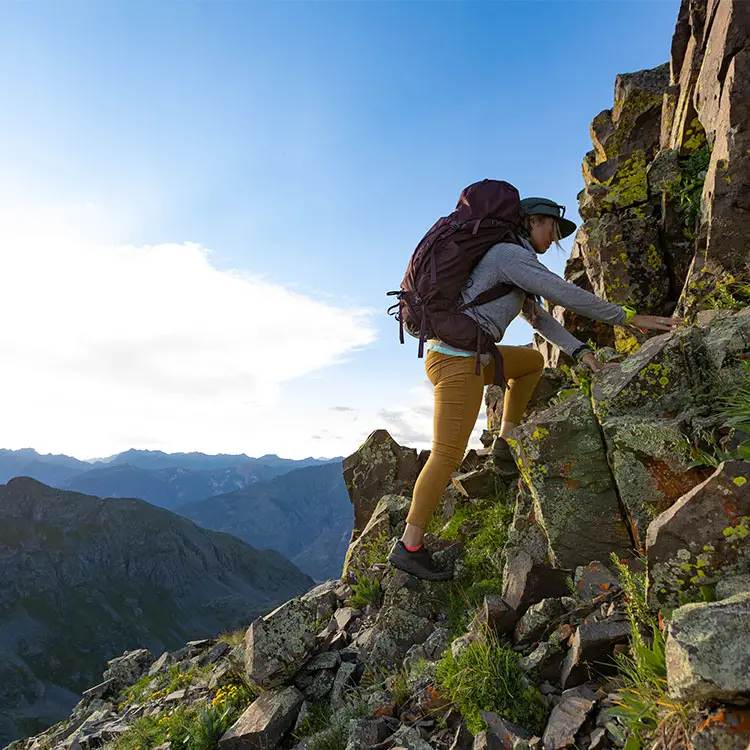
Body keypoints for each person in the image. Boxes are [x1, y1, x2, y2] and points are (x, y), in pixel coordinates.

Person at [387, 196, 683, 581]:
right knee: (446, 455)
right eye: (551, 228)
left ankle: (505, 443)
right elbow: (563, 293)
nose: (554, 238)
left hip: (473, 354)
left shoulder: (512, 260)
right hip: (458, 362)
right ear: (531, 221)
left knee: (530, 364)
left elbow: (540, 318)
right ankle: (409, 546)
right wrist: (627, 317)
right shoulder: (510, 255)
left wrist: (581, 353)